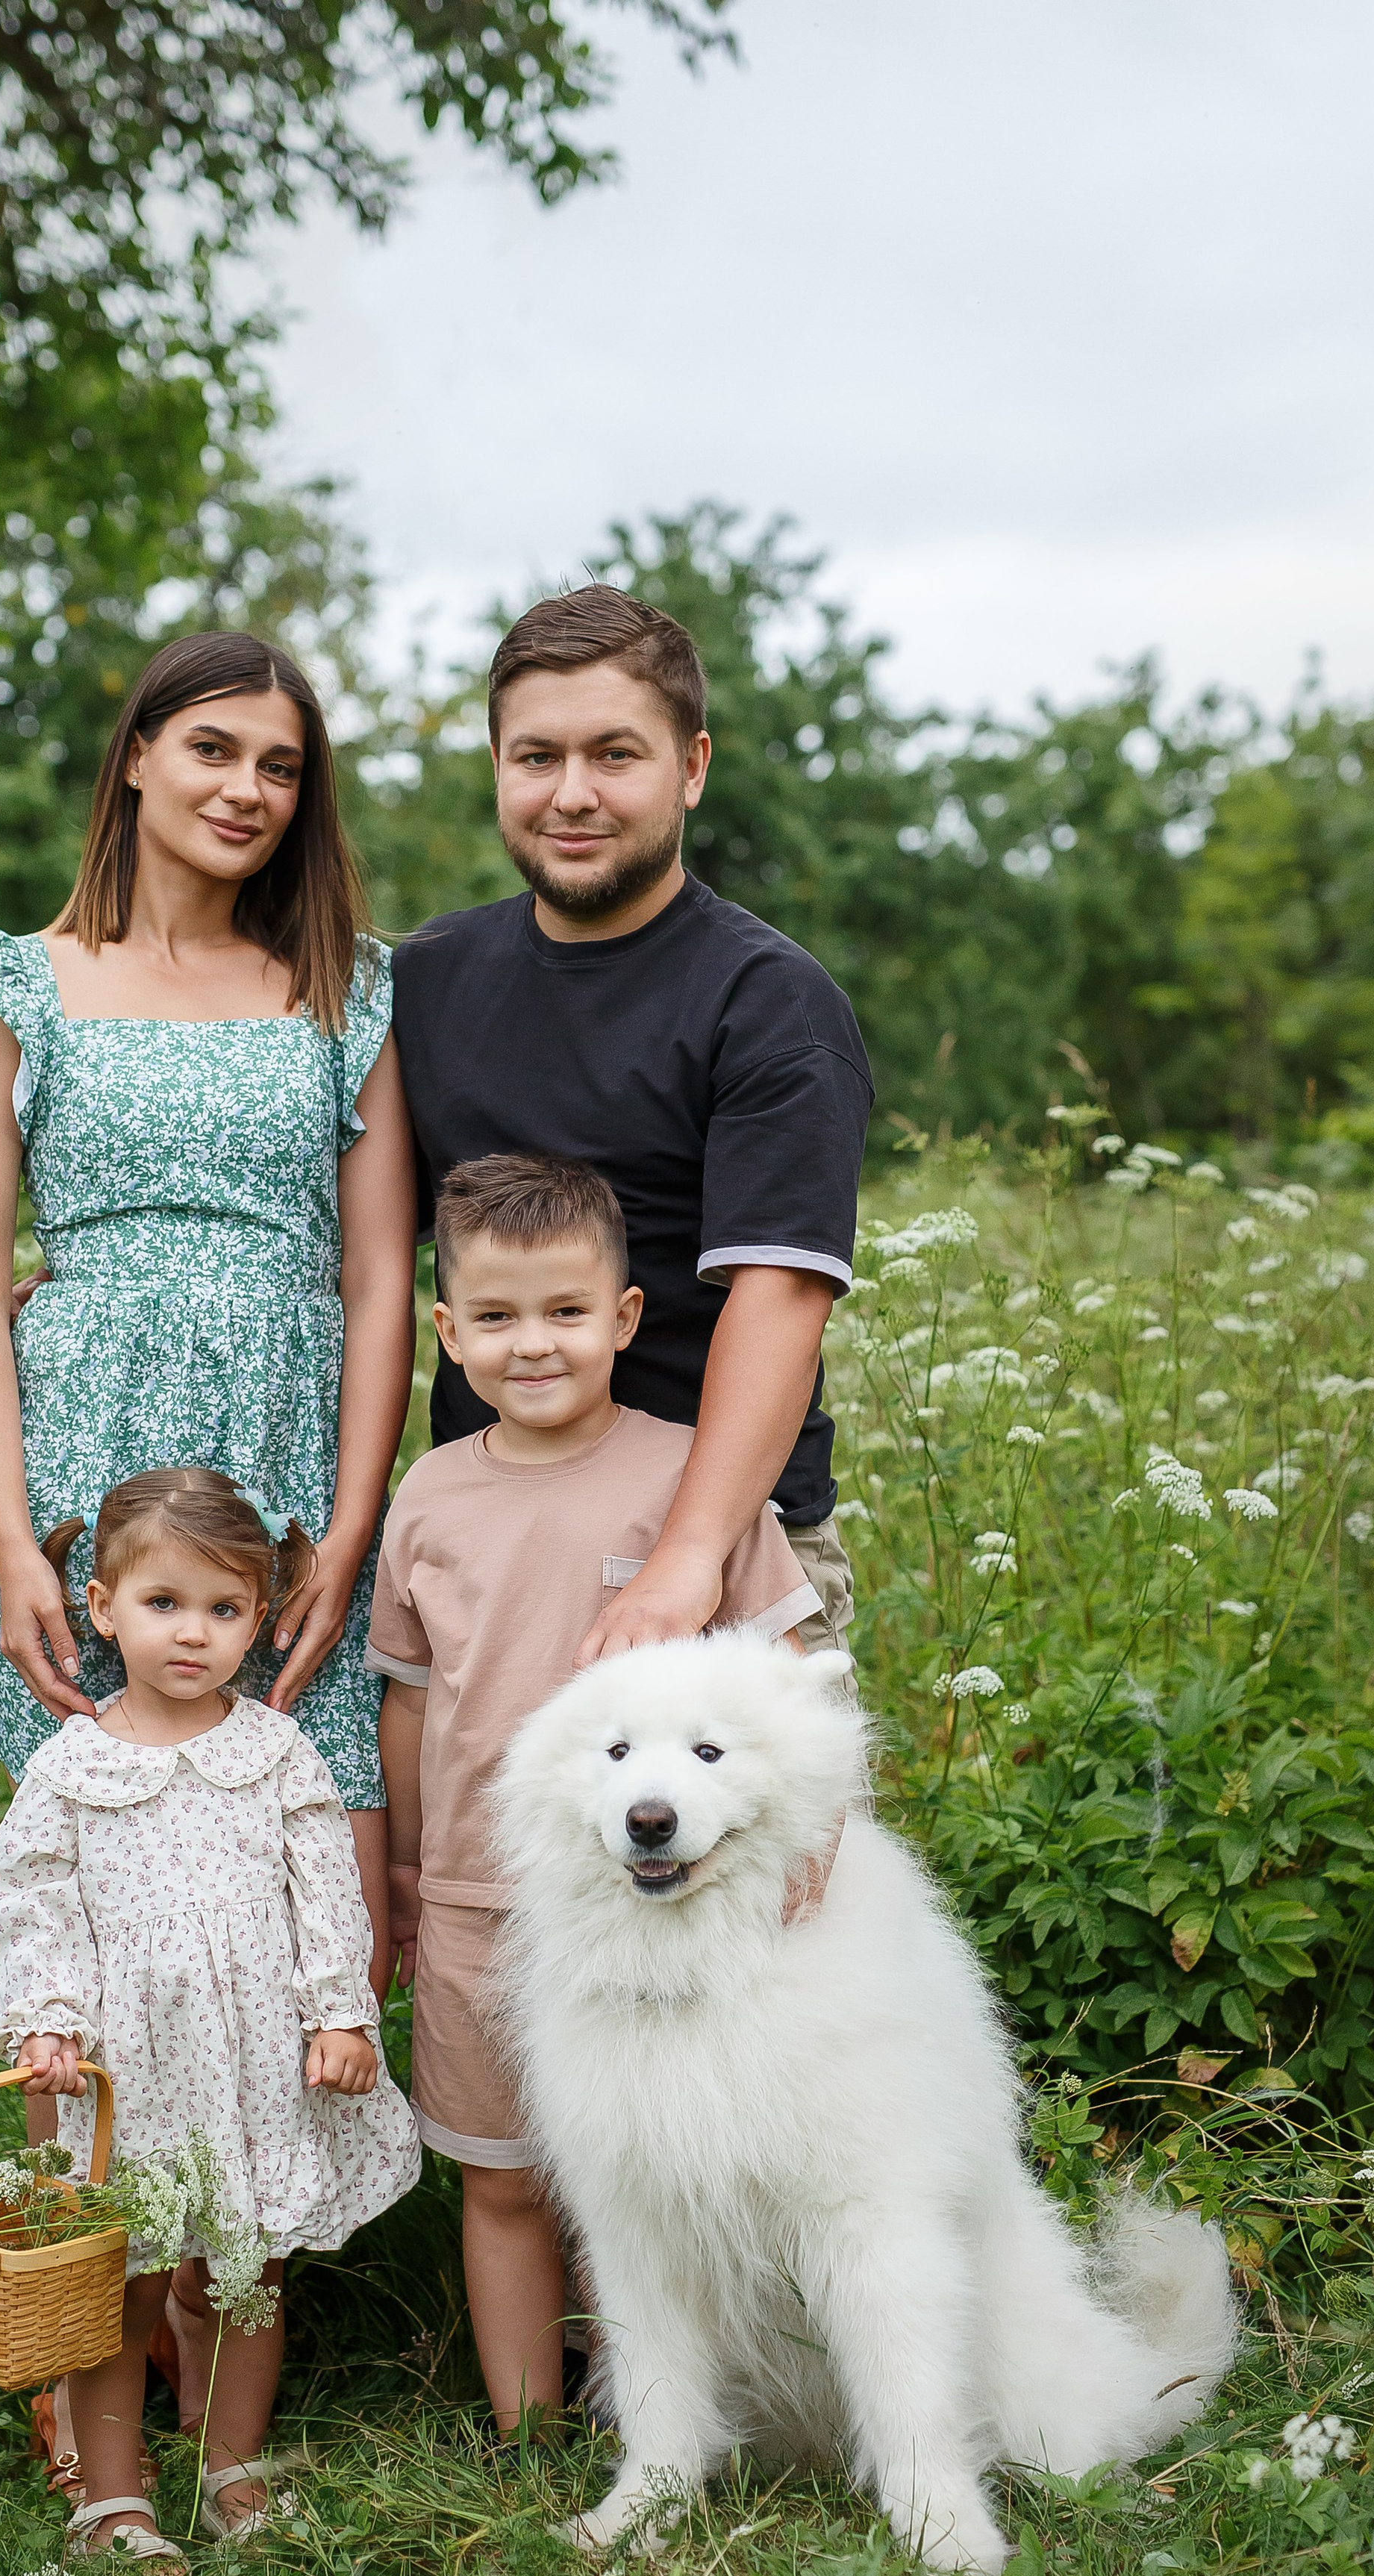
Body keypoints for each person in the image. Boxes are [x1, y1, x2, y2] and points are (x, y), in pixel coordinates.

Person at [0, 627, 415, 2490]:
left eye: (278, 763)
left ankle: (235, 2318)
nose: (245, 788)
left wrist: (347, 1514)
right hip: (84, 1444)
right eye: (210, 749)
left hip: (280, 1452)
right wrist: (17, 1532)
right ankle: (76, 2339)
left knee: (293, 1887)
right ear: (132, 762)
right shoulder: (10, 975)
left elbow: (370, 1278)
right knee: (96, 1894)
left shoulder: (341, 989)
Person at [368, 1154, 819, 2432]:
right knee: (504, 2178)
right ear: (447, 1334)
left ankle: (661, 2420)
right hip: (481, 1896)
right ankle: (527, 2434)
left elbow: (782, 1689)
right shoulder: (431, 1496)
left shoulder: (696, 1479)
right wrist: (401, 1873)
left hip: (661, 1913)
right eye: (497, 1318)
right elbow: (412, 1700)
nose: (534, 1346)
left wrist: (813, 1839)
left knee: (647, 2176)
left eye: (568, 1312)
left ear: (626, 1319)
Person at [390, 585, 872, 1725]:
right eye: (536, 756)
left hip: (723, 1537)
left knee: (754, 1895)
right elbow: (343, 1236)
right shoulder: (426, 981)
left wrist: (685, 1560)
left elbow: (781, 1296)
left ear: (692, 766)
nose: (572, 795)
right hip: (487, 1528)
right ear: (497, 768)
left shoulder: (767, 1002)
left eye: (616, 755)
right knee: (481, 1884)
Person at [0, 1467, 420, 2566]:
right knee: (118, 2283)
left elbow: (324, 1887)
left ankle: (235, 2469)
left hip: (251, 2065)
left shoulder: (272, 1754)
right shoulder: (72, 1766)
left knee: (246, 2274)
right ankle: (116, 2501)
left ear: (260, 1620)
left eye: (226, 1611)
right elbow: (30, 1901)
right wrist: (46, 2020)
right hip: (124, 2074)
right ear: (103, 1608)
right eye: (164, 1605)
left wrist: (339, 2015)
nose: (194, 1635)